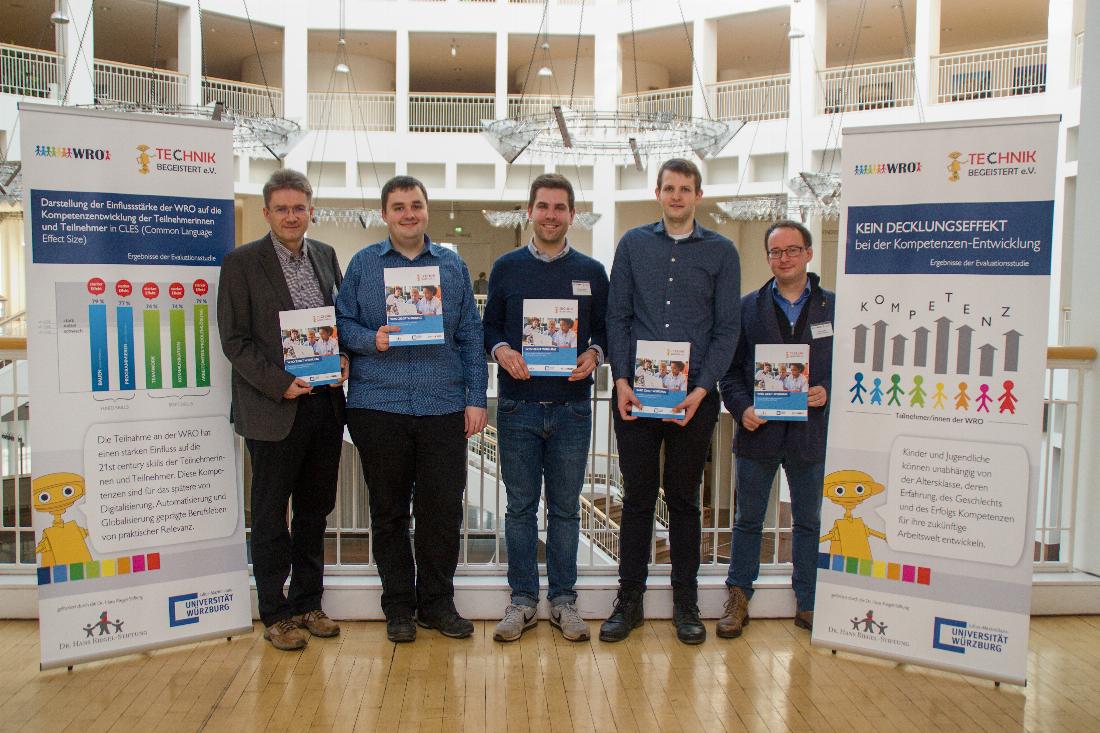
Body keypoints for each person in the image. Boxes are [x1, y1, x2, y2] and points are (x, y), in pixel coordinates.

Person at [336, 175, 487, 643]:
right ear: (384, 214)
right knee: (389, 513)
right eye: (398, 206)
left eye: (416, 205)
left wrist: (476, 399)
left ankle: (437, 604)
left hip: (442, 405)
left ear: (427, 210)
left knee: (442, 512)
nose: (408, 214)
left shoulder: (452, 265)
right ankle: (399, 607)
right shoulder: (363, 264)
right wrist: (371, 339)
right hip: (377, 405)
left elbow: (471, 334)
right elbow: (341, 322)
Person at [601, 158, 741, 645]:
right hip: (636, 396)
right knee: (637, 499)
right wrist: (621, 379)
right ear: (657, 193)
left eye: (685, 189)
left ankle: (686, 603)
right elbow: (617, 316)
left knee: (684, 500)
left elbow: (727, 330)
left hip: (694, 400)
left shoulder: (722, 252)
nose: (677, 196)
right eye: (669, 188)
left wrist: (701, 390)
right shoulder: (633, 244)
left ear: (698, 195)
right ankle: (629, 601)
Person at [217, 169, 347, 651]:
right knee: (272, 515)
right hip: (274, 408)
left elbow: (338, 322)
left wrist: (344, 356)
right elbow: (235, 340)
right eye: (282, 209)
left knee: (315, 511)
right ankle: (275, 612)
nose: (291, 216)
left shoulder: (325, 255)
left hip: (325, 406)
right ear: (267, 213)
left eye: (299, 208)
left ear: (311, 211)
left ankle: (309, 603)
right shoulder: (241, 263)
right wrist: (280, 384)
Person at [483, 173, 609, 642]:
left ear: (572, 214)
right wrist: (501, 350)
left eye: (559, 207)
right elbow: (489, 326)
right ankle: (522, 601)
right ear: (529, 211)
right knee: (519, 509)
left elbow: (605, 330)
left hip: (572, 410)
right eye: (543, 206)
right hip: (518, 408)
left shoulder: (592, 271)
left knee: (566, 511)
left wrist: (594, 353)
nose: (551, 215)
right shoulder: (506, 267)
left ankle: (563, 602)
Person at [717, 220, 834, 638]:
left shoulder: (834, 308)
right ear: (768, 258)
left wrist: (826, 390)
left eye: (792, 250)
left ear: (808, 254)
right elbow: (729, 372)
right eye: (776, 252)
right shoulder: (746, 308)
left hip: (809, 433)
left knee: (808, 521)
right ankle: (738, 597)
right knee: (748, 519)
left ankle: (809, 600)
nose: (784, 259)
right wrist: (742, 408)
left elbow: (850, 365)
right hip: (758, 431)